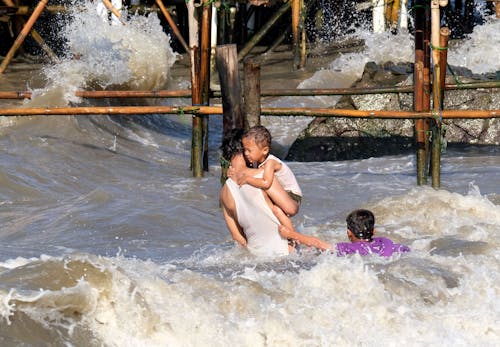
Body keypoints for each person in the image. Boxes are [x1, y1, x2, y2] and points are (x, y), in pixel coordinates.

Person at [219, 129, 291, 257]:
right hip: (283, 251)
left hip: (257, 258)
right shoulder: (262, 176)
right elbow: (290, 208)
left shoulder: (224, 193)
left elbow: (238, 238)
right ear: (245, 150)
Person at [228, 125, 302, 217]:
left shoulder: (270, 162)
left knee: (276, 210)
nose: (246, 153)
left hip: (292, 196)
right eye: (244, 150)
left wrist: (247, 179)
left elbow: (266, 183)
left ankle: (287, 230)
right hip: (280, 192)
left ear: (265, 150)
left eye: (249, 150)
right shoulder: (255, 161)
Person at [276, 209, 410, 257]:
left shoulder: (348, 248)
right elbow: (405, 249)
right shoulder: (385, 243)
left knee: (302, 253)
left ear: (349, 233)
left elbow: (317, 243)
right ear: (374, 231)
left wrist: (291, 235)